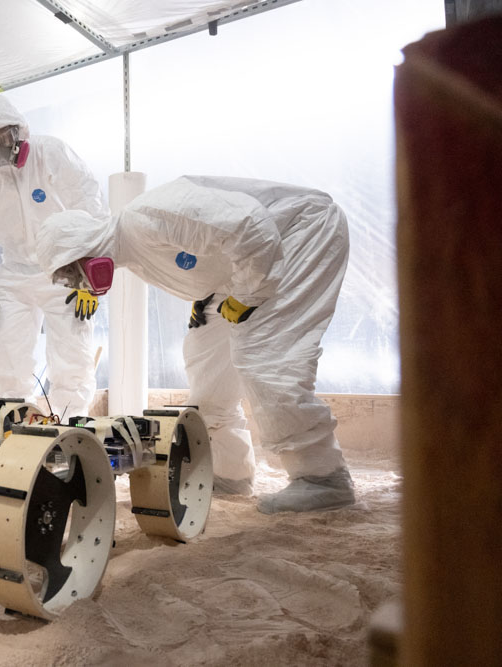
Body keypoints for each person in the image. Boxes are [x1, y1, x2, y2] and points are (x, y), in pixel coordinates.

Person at [36, 175, 355, 514]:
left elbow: (250, 226)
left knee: (264, 356)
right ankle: (229, 470)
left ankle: (322, 476)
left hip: (298, 235)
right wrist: (205, 298)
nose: (78, 281)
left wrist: (248, 296)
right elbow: (208, 254)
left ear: (83, 244)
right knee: (207, 361)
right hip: (246, 268)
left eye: (73, 270)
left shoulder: (146, 218)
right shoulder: (131, 252)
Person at [0, 92, 108, 419]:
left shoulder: (51, 153)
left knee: (71, 358)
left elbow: (92, 208)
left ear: (19, 132)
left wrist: (88, 277)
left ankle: (70, 427)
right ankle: (11, 426)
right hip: (13, 272)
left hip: (64, 269)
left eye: (3, 138)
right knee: (6, 356)